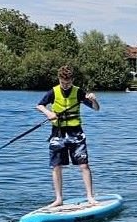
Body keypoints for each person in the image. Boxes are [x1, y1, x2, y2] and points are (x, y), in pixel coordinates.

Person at [35, 65, 100, 209]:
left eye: (68, 83)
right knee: (56, 166)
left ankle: (90, 197)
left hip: (76, 133)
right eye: (63, 83)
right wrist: (48, 113)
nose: (65, 85)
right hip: (57, 134)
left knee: (84, 165)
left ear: (72, 80)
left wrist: (93, 100)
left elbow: (96, 108)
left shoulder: (78, 92)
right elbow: (39, 105)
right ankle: (58, 199)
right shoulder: (53, 92)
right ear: (59, 79)